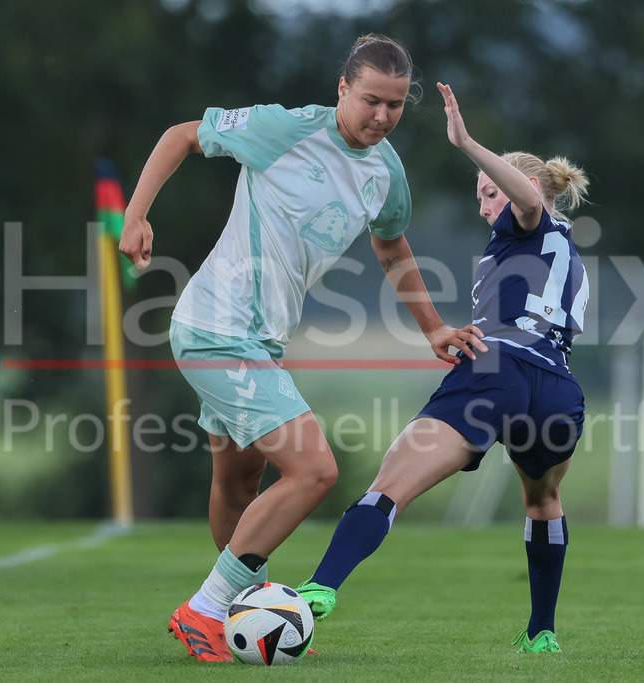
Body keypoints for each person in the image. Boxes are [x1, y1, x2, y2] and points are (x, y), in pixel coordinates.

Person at [119, 36, 486, 663]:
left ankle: (246, 613)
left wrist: (431, 329)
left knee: (238, 482)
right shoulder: (280, 129)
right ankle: (204, 611)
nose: (381, 117)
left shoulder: (386, 173)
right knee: (314, 469)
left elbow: (392, 248)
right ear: (342, 89)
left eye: (395, 106)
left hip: (260, 342)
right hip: (215, 328)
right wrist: (137, 214)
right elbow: (183, 134)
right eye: (371, 100)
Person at [296, 82, 590, 654]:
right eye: (480, 195)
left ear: (521, 188)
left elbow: (526, 202)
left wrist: (468, 143)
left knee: (389, 488)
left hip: (497, 370)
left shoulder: (529, 222)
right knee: (543, 501)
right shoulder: (563, 249)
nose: (484, 205)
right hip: (557, 391)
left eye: (489, 192)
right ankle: (542, 633)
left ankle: (319, 589)